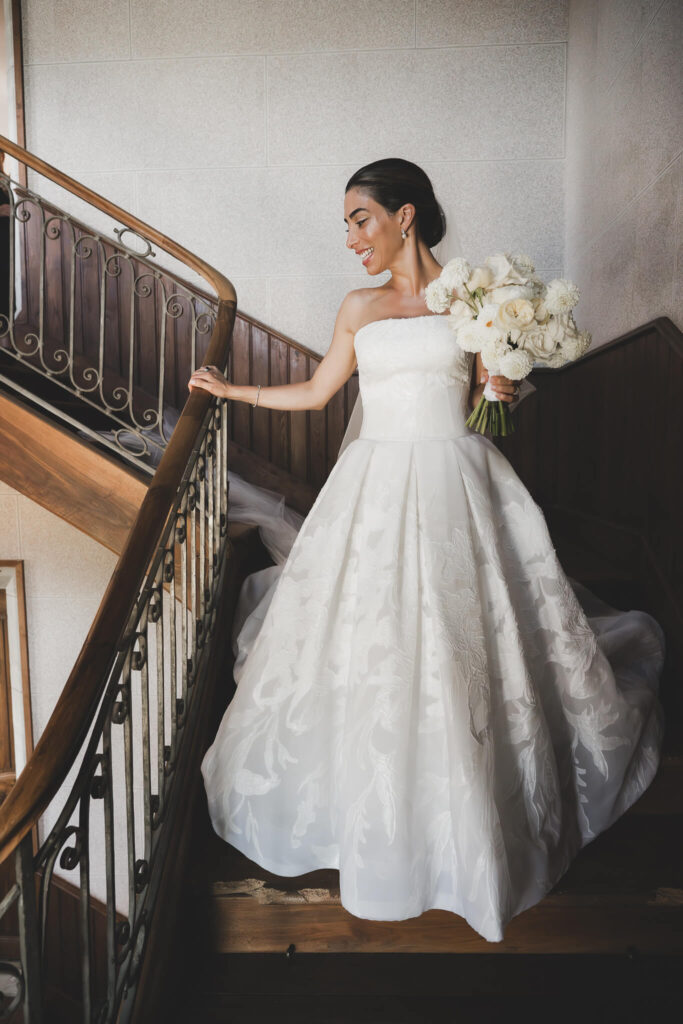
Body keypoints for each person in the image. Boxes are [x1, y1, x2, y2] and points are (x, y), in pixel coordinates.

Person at [188, 159, 665, 944]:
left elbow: (487, 407)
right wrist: (231, 392)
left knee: (461, 641)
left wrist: (500, 387)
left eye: (359, 219)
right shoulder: (357, 307)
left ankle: (471, 819)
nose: (350, 238)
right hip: (372, 485)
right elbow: (315, 394)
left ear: (404, 216)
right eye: (345, 223)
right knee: (375, 641)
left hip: (459, 480)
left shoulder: (476, 304)